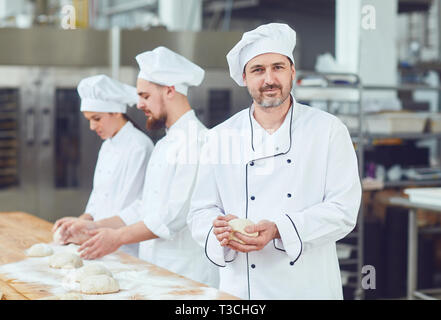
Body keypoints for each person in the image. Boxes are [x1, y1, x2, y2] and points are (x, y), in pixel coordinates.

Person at [187, 23, 362, 299]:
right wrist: (217, 229)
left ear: (292, 71)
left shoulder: (327, 130)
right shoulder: (220, 137)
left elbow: (344, 210)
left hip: (307, 286)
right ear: (244, 77)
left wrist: (280, 229)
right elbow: (199, 211)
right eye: (258, 70)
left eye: (278, 67)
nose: (269, 79)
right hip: (242, 290)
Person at [67, 47, 219, 288]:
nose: (138, 105)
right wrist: (94, 226)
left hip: (185, 274)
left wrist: (116, 237)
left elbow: (173, 216)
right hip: (156, 268)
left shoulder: (196, 141)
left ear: (170, 90)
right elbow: (145, 206)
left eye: (145, 96)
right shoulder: (166, 143)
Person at [52, 75, 154, 257]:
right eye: (89, 119)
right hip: (97, 239)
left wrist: (96, 226)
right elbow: (99, 195)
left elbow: (140, 206)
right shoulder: (107, 145)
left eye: (97, 118)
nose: (92, 126)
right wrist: (80, 221)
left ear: (116, 112)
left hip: (125, 244)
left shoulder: (139, 146)